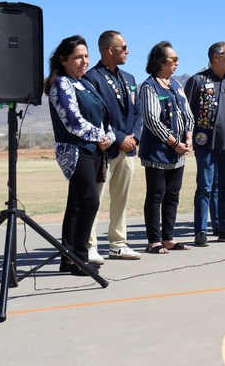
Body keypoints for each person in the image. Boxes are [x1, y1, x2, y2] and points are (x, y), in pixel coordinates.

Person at [45, 35, 115, 275]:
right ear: (64, 60)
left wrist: (108, 136)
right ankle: (80, 257)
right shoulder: (61, 84)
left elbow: (103, 118)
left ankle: (68, 259)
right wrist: (100, 136)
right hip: (75, 150)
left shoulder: (86, 84)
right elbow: (72, 121)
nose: (84, 61)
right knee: (89, 201)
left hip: (94, 149)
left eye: (86, 56)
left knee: (76, 203)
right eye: (78, 57)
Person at [82, 30, 142, 263]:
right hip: (105, 149)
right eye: (123, 47)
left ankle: (118, 244)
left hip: (128, 149)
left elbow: (138, 112)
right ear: (110, 50)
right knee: (95, 198)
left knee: (121, 199)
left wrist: (133, 136)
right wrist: (119, 137)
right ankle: (89, 245)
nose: (127, 51)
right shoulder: (91, 78)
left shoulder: (129, 78)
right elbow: (95, 116)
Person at [185, 41, 225, 246]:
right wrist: (190, 137)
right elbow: (187, 113)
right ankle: (201, 231)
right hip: (206, 145)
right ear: (215, 57)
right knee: (205, 188)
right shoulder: (198, 81)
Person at [138, 41, 194, 254]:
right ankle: (153, 241)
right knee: (156, 195)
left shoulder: (177, 85)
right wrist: (174, 143)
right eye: (173, 59)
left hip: (178, 152)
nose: (177, 63)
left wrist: (188, 137)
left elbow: (188, 114)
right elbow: (152, 120)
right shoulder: (149, 86)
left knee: (173, 195)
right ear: (161, 62)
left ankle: (168, 237)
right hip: (158, 152)